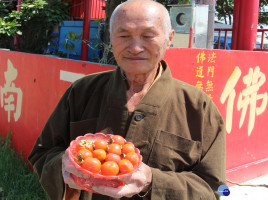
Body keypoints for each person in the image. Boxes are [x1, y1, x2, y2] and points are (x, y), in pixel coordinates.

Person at [28, 0, 226, 199]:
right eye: (124, 35)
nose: (135, 47)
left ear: (169, 38)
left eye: (148, 36)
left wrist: (151, 181)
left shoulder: (199, 107)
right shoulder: (81, 92)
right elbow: (42, 153)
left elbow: (216, 190)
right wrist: (63, 168)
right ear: (110, 38)